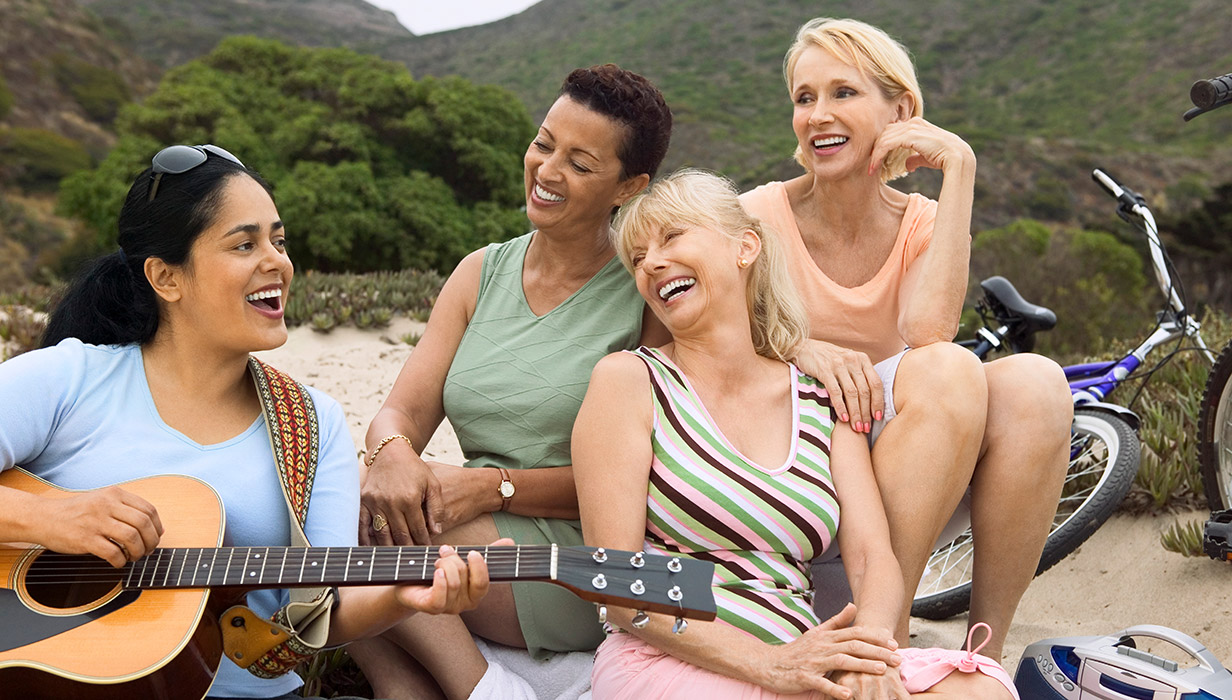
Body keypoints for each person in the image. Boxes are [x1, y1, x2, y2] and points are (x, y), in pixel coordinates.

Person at [0, 144, 492, 700]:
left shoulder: (309, 422)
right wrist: (52, 517)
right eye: (244, 243)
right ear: (166, 277)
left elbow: (326, 607)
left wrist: (402, 597)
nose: (277, 261)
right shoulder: (68, 379)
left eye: (278, 241)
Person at [574, 168, 1017, 700]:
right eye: (638, 258)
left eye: (671, 237)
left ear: (745, 247)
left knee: (980, 688)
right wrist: (770, 665)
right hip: (672, 659)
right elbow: (620, 585)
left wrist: (871, 653)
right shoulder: (628, 380)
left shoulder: (817, 396)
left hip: (800, 655)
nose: (651, 262)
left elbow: (874, 558)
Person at [739, 17, 1072, 660]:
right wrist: (797, 347)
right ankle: (881, 641)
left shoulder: (920, 220)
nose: (817, 115)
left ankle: (978, 659)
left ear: (902, 111)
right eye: (804, 98)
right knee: (947, 369)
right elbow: (698, 348)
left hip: (902, 479)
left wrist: (960, 170)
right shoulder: (756, 216)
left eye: (843, 93)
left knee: (1035, 382)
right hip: (792, 474)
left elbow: (927, 333)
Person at [349, 64, 674, 699]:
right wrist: (389, 456)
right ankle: (401, 691)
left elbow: (658, 484)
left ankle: (477, 687)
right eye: (544, 143)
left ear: (628, 186)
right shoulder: (480, 272)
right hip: (473, 523)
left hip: (582, 558)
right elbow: (402, 413)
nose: (548, 171)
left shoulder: (644, 295)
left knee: (370, 534)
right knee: (347, 498)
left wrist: (492, 488)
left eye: (580, 163)